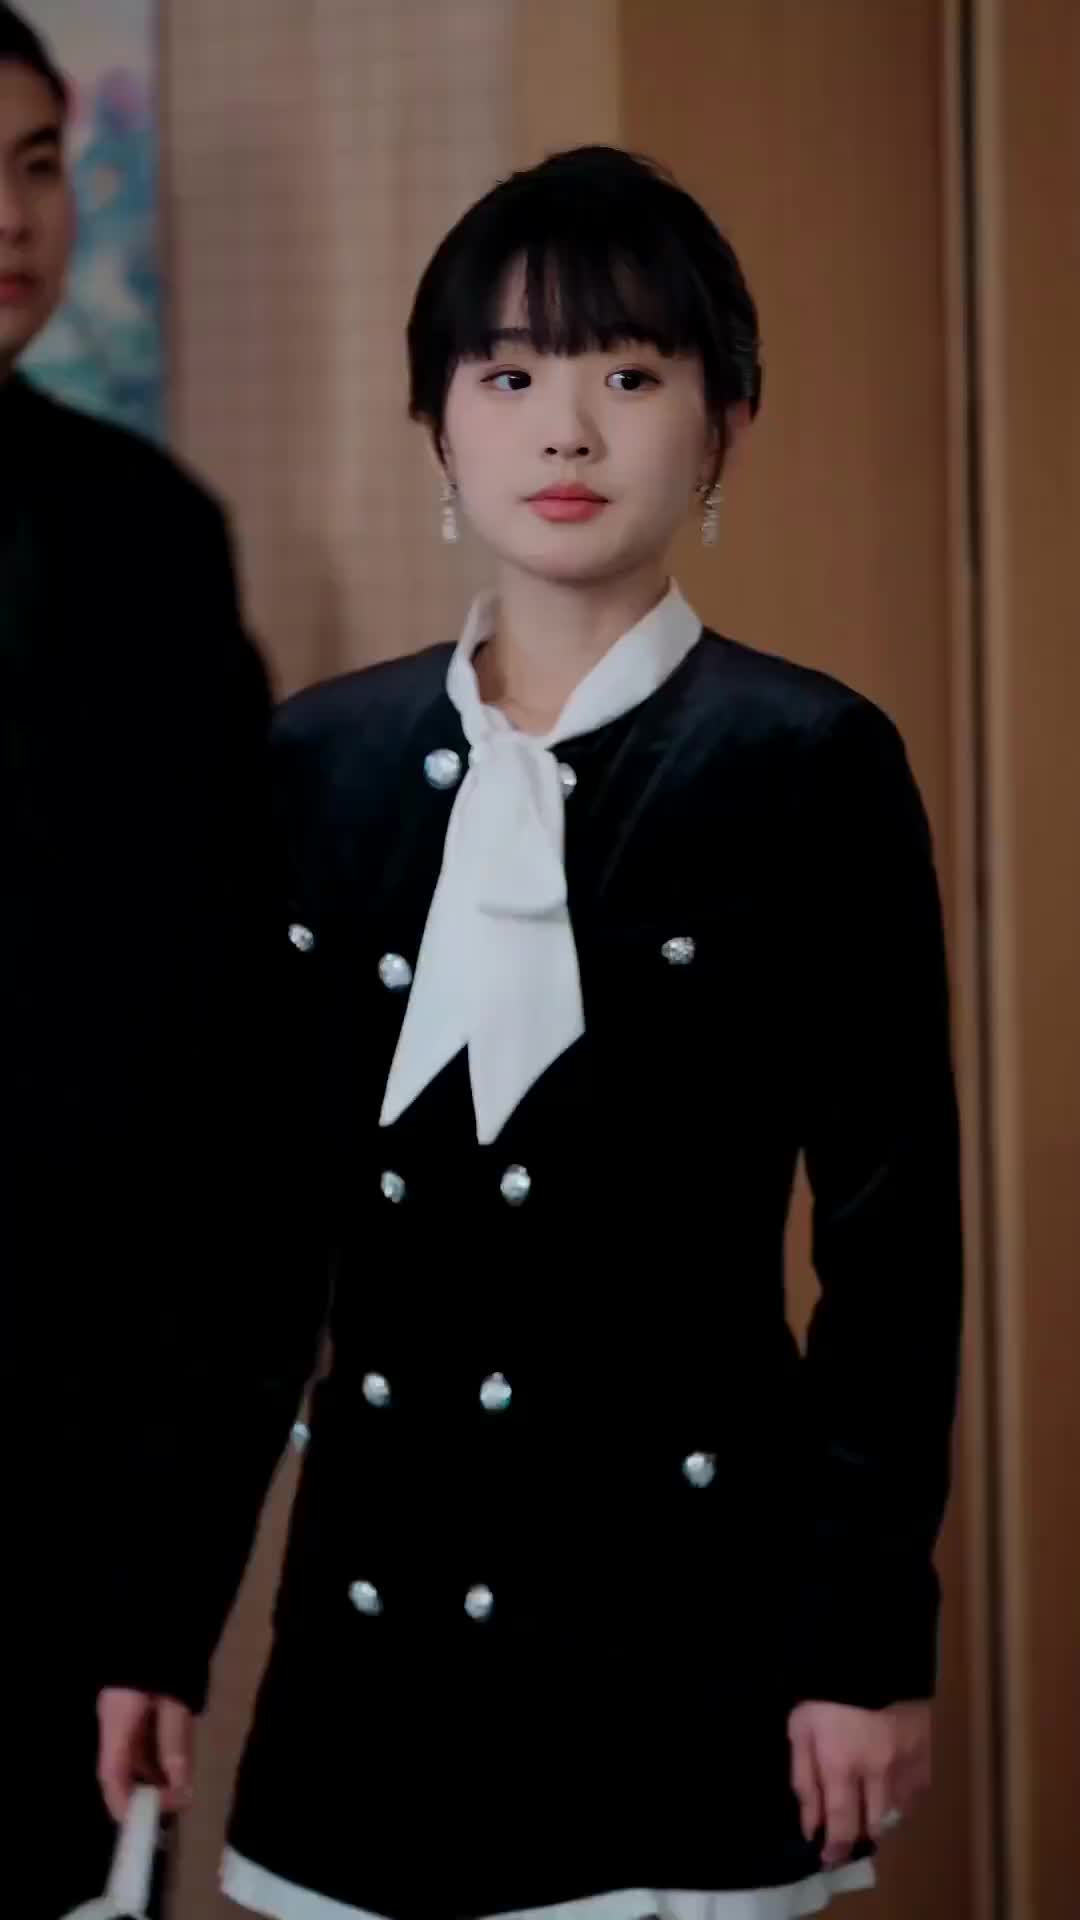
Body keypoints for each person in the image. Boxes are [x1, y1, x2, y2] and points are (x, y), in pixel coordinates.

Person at [98, 146, 964, 1920]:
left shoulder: (807, 761)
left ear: (725, 424)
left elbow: (894, 1248)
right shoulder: (319, 764)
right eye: (506, 376)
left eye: (629, 375)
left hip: (686, 1647)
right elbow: (252, 1249)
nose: (564, 429)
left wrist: (865, 1643)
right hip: (368, 1674)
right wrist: (158, 1628)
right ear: (437, 424)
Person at [0, 8, 275, 1914]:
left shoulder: (147, 542)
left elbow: (228, 1077)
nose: (14, 216)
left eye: (36, 164)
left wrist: (162, 1597)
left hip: (63, 1485)